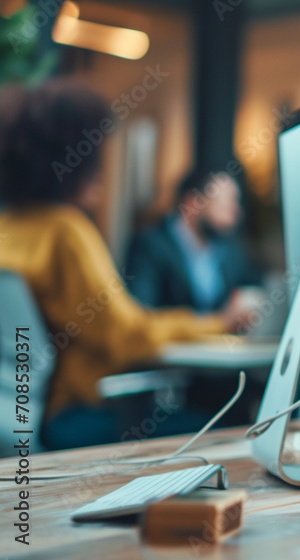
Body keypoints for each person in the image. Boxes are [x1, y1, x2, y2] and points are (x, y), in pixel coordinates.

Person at [0, 81, 245, 449]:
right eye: (93, 154)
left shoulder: (11, 228)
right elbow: (127, 336)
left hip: (23, 421)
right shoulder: (64, 232)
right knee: (230, 429)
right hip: (74, 414)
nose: (100, 167)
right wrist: (220, 322)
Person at [126, 169, 260, 313]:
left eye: (236, 203)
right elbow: (143, 314)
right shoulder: (150, 246)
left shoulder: (229, 249)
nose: (236, 212)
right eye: (225, 205)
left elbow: (255, 285)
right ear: (192, 204)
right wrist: (219, 322)